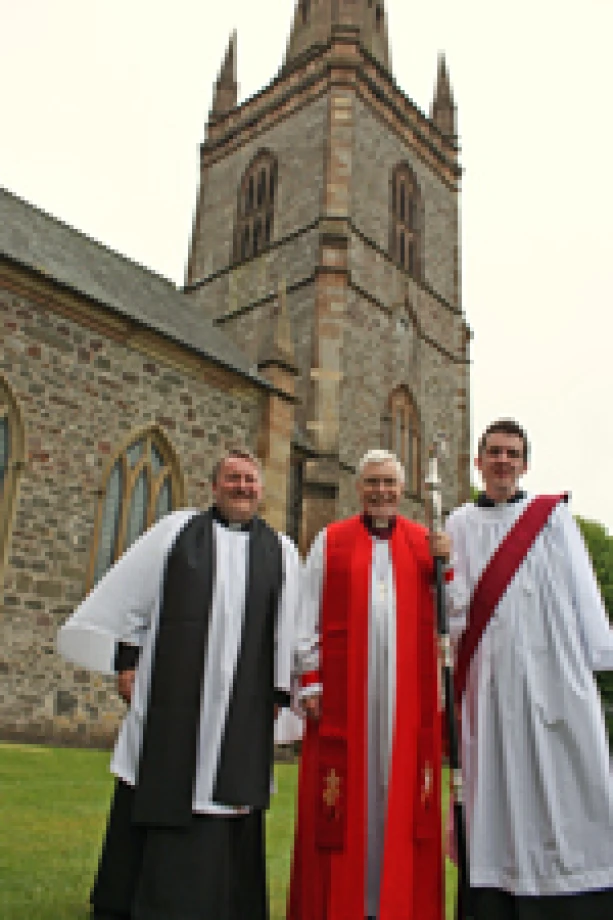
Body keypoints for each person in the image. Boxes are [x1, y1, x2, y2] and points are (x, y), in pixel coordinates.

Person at [57, 448, 300, 920]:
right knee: (161, 773)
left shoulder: (282, 552)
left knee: (227, 792)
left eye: (250, 480)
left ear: (261, 490)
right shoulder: (175, 532)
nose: (242, 487)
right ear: (214, 486)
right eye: (233, 478)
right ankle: (137, 901)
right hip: (173, 697)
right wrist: (128, 661)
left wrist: (278, 691)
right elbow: (132, 600)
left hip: (241, 704)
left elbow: (288, 627)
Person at [445, 419, 613, 920]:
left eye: (512, 453)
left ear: (525, 464)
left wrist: (596, 656)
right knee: (495, 788)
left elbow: (583, 588)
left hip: (553, 673)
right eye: (494, 452)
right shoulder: (458, 524)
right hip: (490, 683)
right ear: (479, 462)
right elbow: (453, 610)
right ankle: (496, 894)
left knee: (567, 782)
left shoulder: (553, 518)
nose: (503, 461)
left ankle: (575, 890)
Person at [288, 449, 448, 920]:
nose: (381, 491)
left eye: (389, 483)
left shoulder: (424, 543)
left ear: (402, 489)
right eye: (372, 482)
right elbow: (305, 612)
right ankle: (344, 904)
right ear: (358, 488)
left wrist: (447, 565)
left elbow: (450, 612)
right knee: (347, 801)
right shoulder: (331, 541)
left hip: (406, 698)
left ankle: (395, 904)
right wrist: (310, 679)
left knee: (399, 797)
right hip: (346, 696)